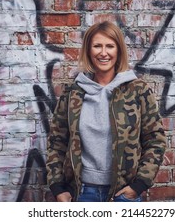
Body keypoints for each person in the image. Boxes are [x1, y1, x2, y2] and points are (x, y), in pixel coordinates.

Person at [46, 21, 167, 202]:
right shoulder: (73, 93)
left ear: (118, 51)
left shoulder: (137, 91)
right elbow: (57, 142)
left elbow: (155, 139)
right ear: (88, 50)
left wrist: (139, 185)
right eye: (97, 46)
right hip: (81, 193)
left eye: (110, 46)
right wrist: (57, 188)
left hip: (123, 194)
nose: (103, 53)